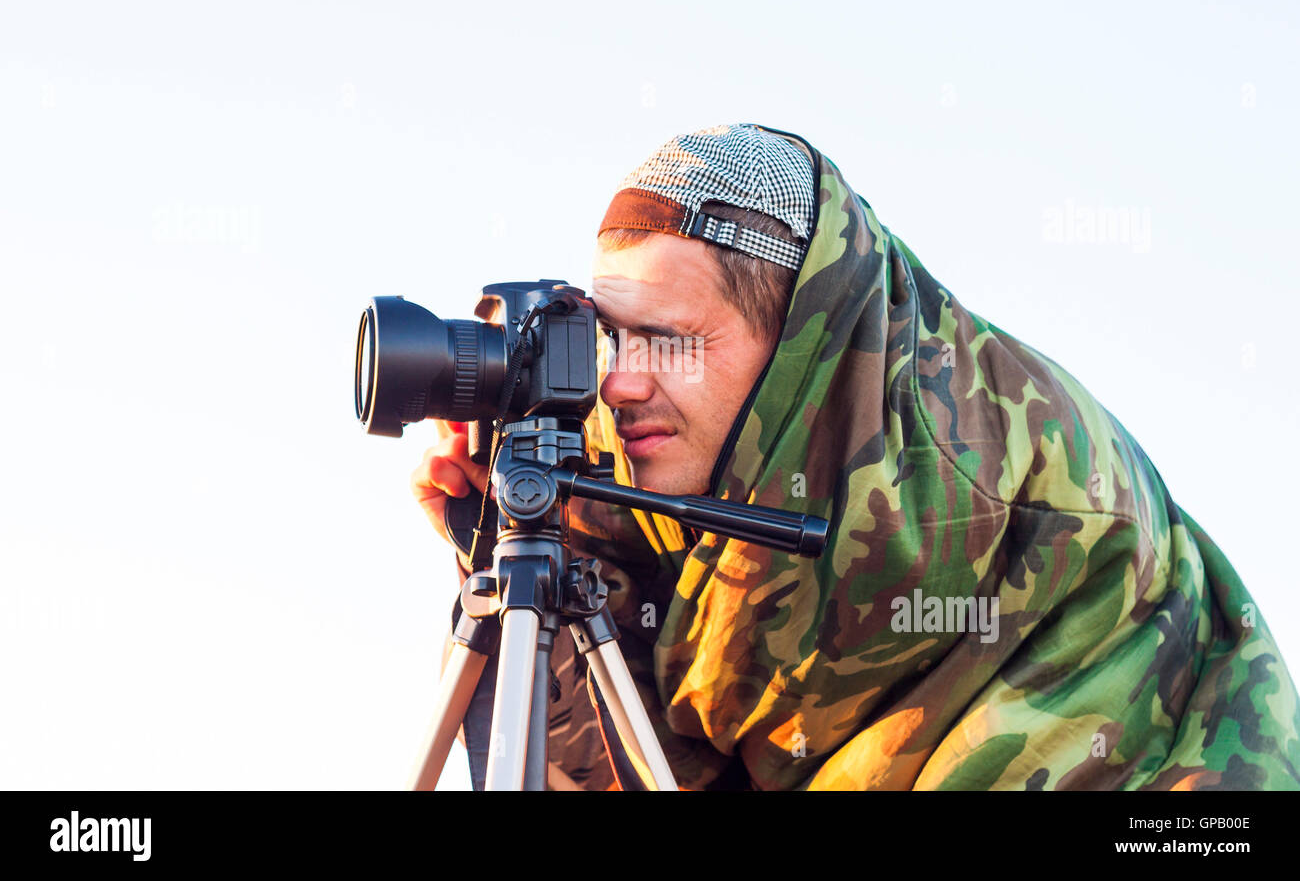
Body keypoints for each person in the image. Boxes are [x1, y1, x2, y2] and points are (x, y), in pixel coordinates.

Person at [412, 123, 1300, 790]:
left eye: (670, 341)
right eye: (610, 338)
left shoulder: (1011, 494)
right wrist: (507, 540)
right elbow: (643, 764)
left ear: (802, 338)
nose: (620, 384)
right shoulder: (640, 451)